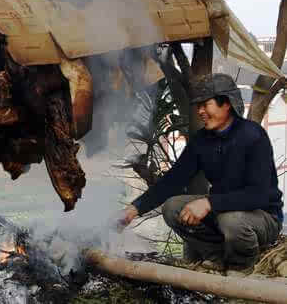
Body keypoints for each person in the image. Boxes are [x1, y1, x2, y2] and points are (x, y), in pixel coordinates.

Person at [120, 73, 283, 275]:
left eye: (205, 104)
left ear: (227, 104)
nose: (200, 111)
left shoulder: (253, 136)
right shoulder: (201, 141)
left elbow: (259, 195)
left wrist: (209, 203)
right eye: (198, 106)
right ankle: (215, 256)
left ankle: (241, 265)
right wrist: (134, 209)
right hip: (223, 212)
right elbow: (173, 180)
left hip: (262, 217)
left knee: (231, 220)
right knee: (172, 208)